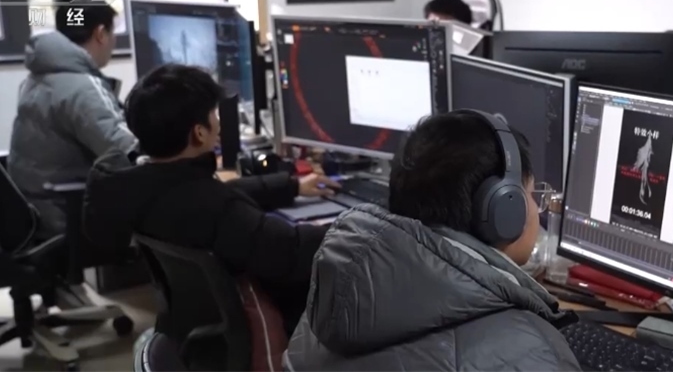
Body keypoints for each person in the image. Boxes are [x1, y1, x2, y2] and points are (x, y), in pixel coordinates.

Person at [285, 111, 582, 370]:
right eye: (530, 193)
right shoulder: (537, 353)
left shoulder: (326, 310)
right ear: (504, 209)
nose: (536, 207)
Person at [83, 63, 339, 337]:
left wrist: (290, 186)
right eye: (213, 114)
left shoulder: (140, 184)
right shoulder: (214, 206)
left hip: (193, 330)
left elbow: (215, 193)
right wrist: (355, 223)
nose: (218, 122)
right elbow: (290, 252)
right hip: (268, 328)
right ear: (199, 132)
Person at [9, 0, 136, 240]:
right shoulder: (83, 87)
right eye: (113, 33)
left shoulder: (36, 78)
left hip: (33, 211)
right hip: (67, 219)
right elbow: (127, 151)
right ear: (101, 33)